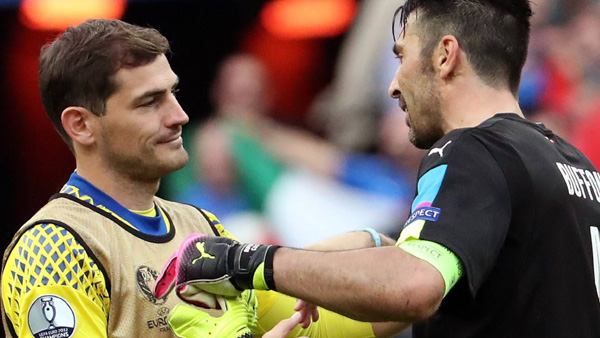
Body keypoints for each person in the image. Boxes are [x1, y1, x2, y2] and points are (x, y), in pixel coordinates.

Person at [157, 0, 600, 336]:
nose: (392, 84)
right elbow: (491, 274)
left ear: (446, 56)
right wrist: (373, 245)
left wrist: (246, 260)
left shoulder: (473, 150)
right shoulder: (571, 162)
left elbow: (414, 287)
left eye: (401, 56)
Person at [0, 19, 400, 338]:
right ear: (81, 125)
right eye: (150, 102)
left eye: (172, 94)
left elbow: (327, 328)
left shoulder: (202, 228)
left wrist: (430, 268)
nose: (179, 116)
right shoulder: (53, 248)